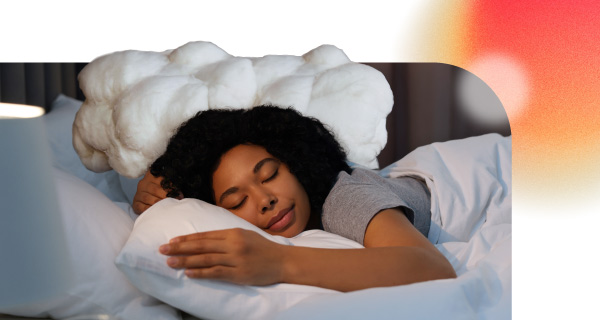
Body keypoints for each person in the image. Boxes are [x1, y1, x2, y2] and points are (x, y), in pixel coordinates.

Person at [133, 106, 456, 292]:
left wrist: (278, 261)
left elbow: (432, 268)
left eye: (270, 174)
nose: (264, 200)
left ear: (298, 165)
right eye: (235, 202)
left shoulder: (344, 199)